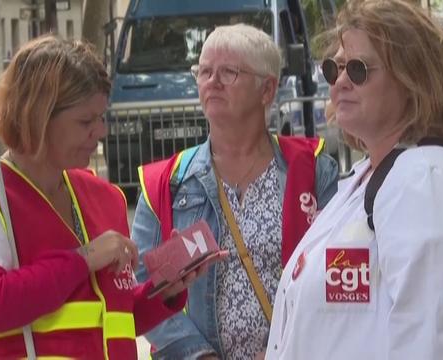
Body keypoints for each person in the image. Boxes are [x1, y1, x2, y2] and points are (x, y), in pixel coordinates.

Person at [0, 35, 198, 359]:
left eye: (101, 118)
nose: (101, 132)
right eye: (85, 121)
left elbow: (108, 321)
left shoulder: (103, 197)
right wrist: (84, 258)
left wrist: (164, 290)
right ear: (36, 117)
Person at [266, 1, 443, 358]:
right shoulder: (369, 175)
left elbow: (431, 345)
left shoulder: (427, 180)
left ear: (413, 80)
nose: (340, 82)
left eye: (358, 69)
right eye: (334, 68)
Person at [133, 23, 340, 359]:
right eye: (204, 71)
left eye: (228, 72)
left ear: (267, 90)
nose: (212, 81)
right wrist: (200, 355)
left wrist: (288, 349)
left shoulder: (314, 170)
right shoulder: (165, 183)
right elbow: (141, 288)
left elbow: (335, 278)